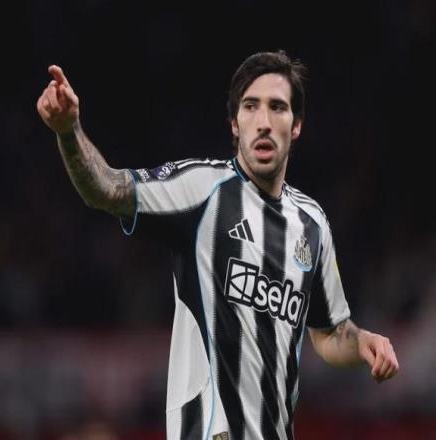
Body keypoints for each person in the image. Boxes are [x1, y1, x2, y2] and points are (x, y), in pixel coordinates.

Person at [37, 51, 399, 440]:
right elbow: (107, 189)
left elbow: (328, 334)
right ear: (234, 124)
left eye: (277, 107)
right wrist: (69, 132)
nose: (263, 122)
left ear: (296, 126)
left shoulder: (312, 224)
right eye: (251, 106)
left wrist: (363, 342)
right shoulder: (202, 189)